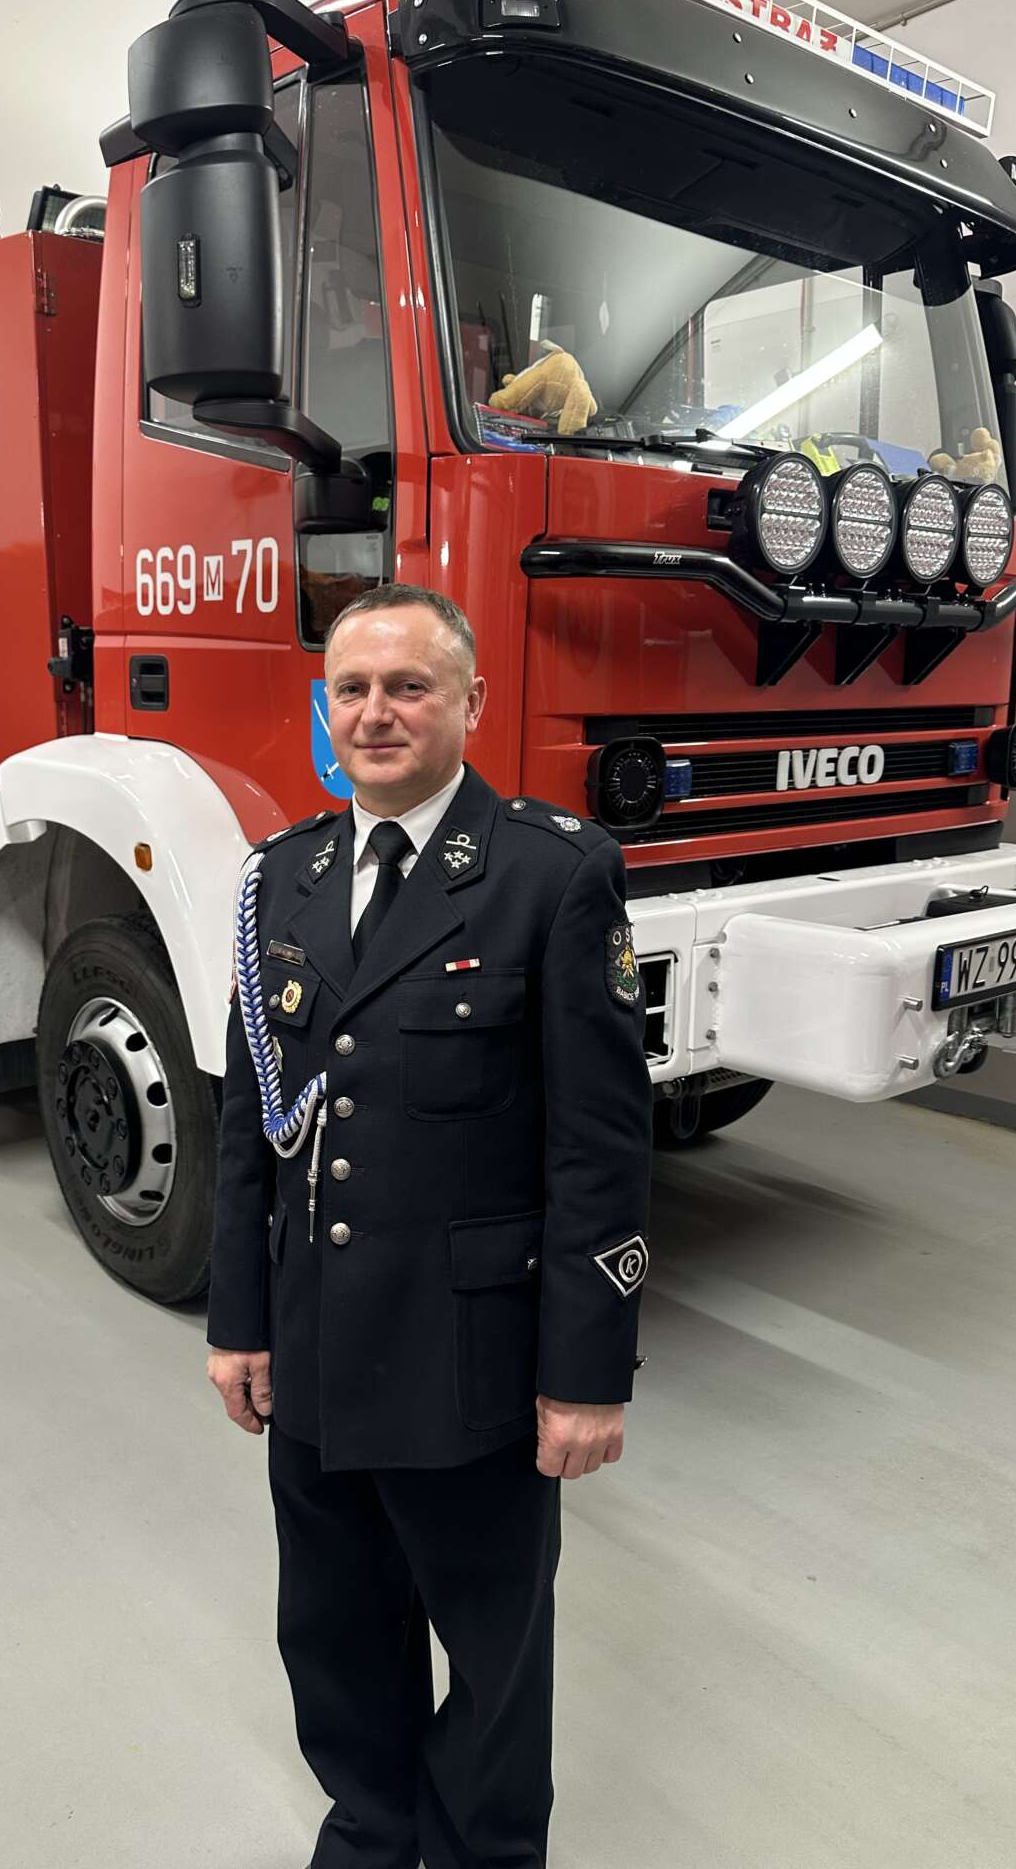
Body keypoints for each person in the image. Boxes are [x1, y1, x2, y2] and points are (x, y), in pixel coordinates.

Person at [206, 584, 653, 1869]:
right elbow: (250, 1123)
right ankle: (371, 1829)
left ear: (471, 703)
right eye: (352, 689)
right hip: (316, 1346)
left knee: (494, 1659)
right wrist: (239, 1322)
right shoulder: (278, 879)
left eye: (409, 687)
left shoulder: (551, 874)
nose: (377, 713)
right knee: (333, 1636)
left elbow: (599, 1149)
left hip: (472, 1362)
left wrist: (586, 1375)